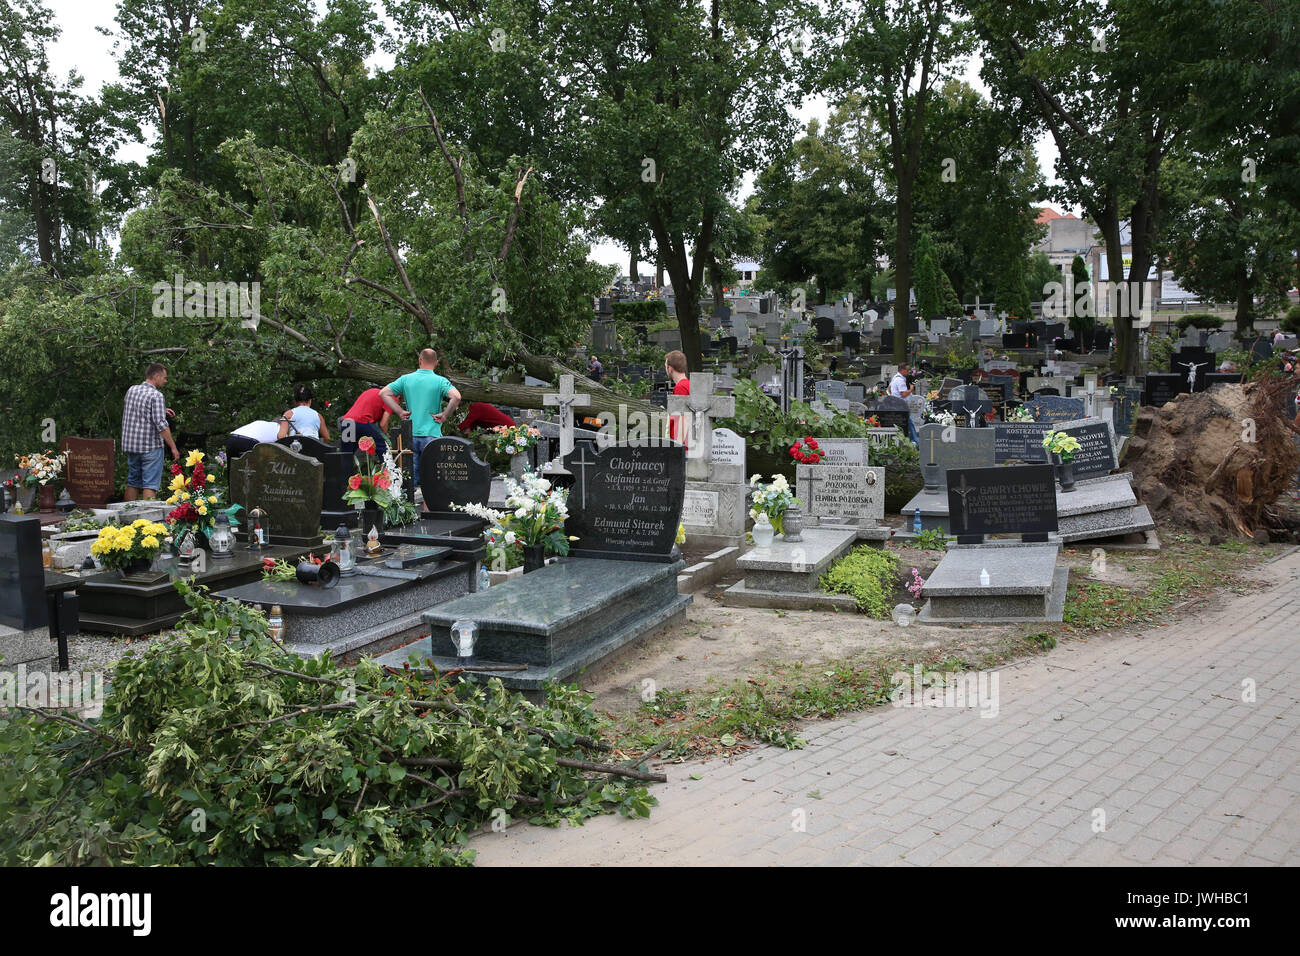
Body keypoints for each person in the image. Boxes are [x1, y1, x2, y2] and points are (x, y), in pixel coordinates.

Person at [381, 348, 461, 480]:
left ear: (420, 360)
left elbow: (383, 393)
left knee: (409, 479)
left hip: (410, 434)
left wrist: (400, 411)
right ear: (436, 363)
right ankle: (427, 501)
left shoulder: (405, 379)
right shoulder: (440, 381)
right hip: (432, 435)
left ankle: (410, 501)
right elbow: (456, 397)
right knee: (432, 479)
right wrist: (445, 415)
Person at [121, 363, 180, 501]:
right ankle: (147, 520)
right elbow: (161, 425)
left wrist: (162, 410)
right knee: (150, 485)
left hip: (131, 446)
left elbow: (137, 410)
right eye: (164, 378)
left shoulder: (132, 390)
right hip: (150, 448)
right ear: (155, 376)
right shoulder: (156, 395)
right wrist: (173, 447)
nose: (165, 381)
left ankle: (126, 518)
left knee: (133, 482)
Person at [339, 387, 392, 456]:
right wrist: (386, 437)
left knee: (347, 454)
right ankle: (387, 466)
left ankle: (344, 467)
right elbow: (383, 424)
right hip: (362, 422)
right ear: (398, 396)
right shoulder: (391, 398)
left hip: (347, 422)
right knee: (383, 448)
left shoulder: (371, 391)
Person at [890, 362, 919, 444]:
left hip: (895, 404)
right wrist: (911, 389)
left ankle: (912, 440)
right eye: (907, 370)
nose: (908, 371)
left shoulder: (895, 378)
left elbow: (889, 389)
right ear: (902, 370)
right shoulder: (900, 380)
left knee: (907, 423)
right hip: (900, 405)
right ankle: (916, 441)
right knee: (909, 423)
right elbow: (904, 393)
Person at [665, 349, 689, 443]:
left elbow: (680, 419)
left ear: (670, 369)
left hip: (683, 444)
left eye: (666, 367)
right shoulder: (688, 384)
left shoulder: (681, 388)